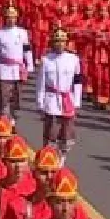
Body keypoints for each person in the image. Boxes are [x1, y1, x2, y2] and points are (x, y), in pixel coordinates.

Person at [37, 28, 82, 161]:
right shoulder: (46, 60)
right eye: (57, 41)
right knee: (51, 130)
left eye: (63, 41)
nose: (60, 44)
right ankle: (49, 156)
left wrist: (77, 101)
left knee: (66, 131)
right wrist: (40, 102)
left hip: (68, 99)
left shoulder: (73, 59)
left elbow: (77, 81)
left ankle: (62, 158)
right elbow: (41, 84)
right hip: (51, 100)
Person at [0, 6, 33, 120]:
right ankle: (4, 118)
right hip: (4, 70)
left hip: (18, 70)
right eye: (9, 17)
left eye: (13, 17)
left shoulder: (22, 33)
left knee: (16, 97)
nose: (11, 20)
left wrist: (30, 66)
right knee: (4, 96)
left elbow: (27, 49)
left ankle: (12, 118)